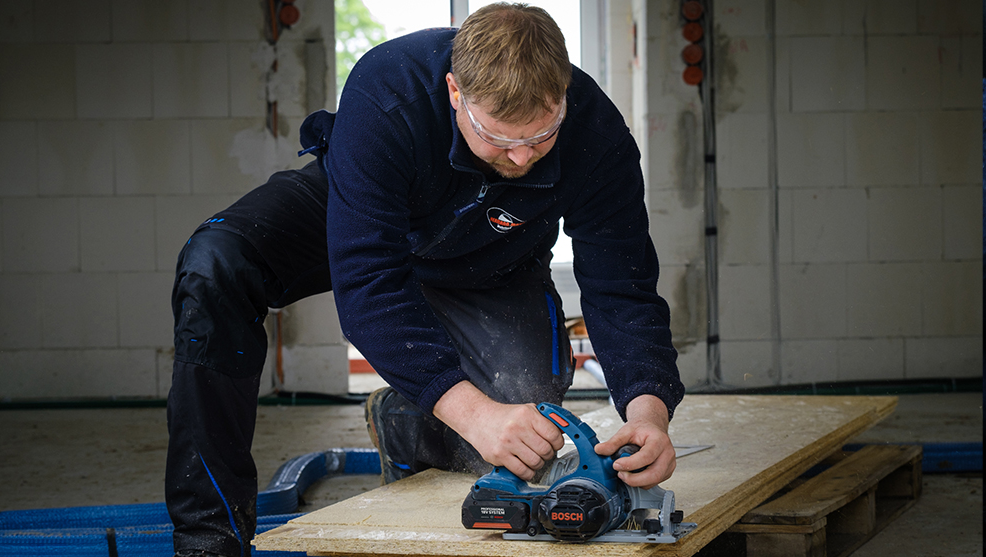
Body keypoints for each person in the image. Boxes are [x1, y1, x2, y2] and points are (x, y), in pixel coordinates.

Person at [164, 3, 684, 556]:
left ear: (562, 97)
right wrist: (474, 413)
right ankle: (209, 540)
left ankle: (408, 418)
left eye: (542, 136)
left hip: (492, 254)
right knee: (215, 263)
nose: (523, 156)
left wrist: (648, 412)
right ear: (455, 92)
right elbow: (369, 280)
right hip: (364, 215)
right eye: (499, 138)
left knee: (524, 427)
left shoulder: (598, 135)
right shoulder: (388, 90)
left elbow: (621, 287)